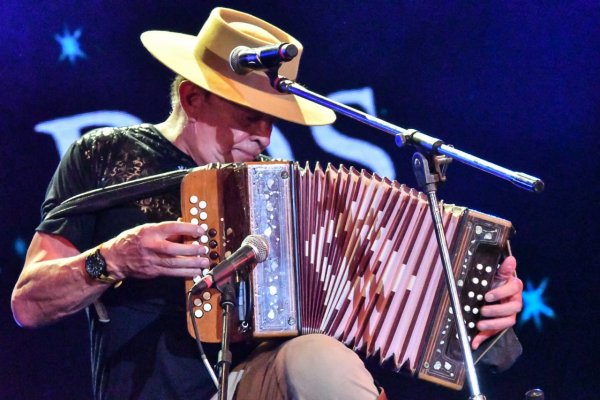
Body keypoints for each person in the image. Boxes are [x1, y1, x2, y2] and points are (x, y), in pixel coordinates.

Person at [11, 7, 523, 400]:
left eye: (271, 117)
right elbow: (28, 303)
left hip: (258, 384)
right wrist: (115, 258)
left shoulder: (281, 190)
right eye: (247, 114)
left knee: (319, 358)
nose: (264, 134)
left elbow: (388, 296)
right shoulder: (106, 153)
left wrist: (475, 300)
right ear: (192, 98)